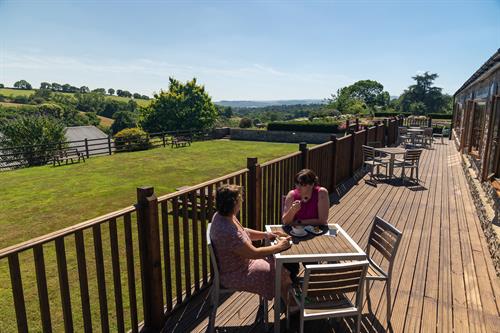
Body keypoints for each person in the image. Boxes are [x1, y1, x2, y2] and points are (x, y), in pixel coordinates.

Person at [210, 184, 296, 306]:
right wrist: (279, 246)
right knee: (280, 271)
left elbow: (244, 231)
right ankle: (293, 307)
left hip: (239, 265)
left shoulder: (222, 216)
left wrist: (266, 234)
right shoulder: (228, 232)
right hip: (236, 273)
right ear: (233, 204)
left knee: (279, 266)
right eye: (240, 199)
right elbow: (254, 253)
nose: (242, 201)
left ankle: (287, 299)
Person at [281, 169, 330, 281]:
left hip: (315, 234)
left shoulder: (321, 193)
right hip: (295, 235)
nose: (298, 187)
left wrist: (299, 222)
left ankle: (311, 286)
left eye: (302, 184)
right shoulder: (292, 195)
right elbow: (285, 222)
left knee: (311, 262)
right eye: (297, 183)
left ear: (312, 184)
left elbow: (322, 220)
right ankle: (291, 287)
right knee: (290, 264)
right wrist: (292, 211)